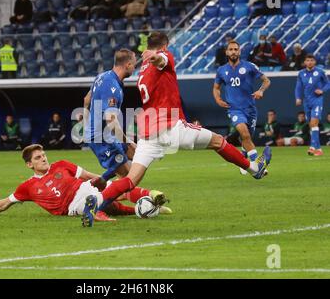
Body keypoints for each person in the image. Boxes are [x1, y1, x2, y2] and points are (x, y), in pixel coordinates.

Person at [82, 32, 272, 227]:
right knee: (218, 141)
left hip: (148, 133)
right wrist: (155, 55)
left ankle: (95, 203)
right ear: (165, 45)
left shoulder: (142, 71)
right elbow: (161, 60)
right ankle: (254, 168)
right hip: (171, 125)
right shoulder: (165, 56)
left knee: (131, 179)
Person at [0, 144, 170, 223]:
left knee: (113, 191)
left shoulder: (61, 164)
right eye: (38, 158)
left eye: (43, 155)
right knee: (114, 196)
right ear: (29, 165)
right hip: (72, 206)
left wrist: (102, 183)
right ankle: (145, 204)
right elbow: (5, 202)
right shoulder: (27, 187)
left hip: (86, 189)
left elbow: (89, 176)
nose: (43, 159)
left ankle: (149, 203)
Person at [214, 39, 272, 175]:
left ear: (239, 52)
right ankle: (258, 166)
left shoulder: (249, 66)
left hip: (250, 109)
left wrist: (261, 91)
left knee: (247, 139)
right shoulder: (221, 70)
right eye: (231, 49)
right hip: (234, 109)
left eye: (236, 49)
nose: (233, 52)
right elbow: (216, 87)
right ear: (226, 52)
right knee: (244, 133)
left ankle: (244, 159)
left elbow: (266, 80)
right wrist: (218, 99)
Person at [84, 49, 138, 185]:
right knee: (128, 181)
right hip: (100, 138)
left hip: (104, 134)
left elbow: (86, 100)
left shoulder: (102, 77)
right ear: (127, 65)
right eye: (134, 65)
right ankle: (96, 198)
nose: (135, 68)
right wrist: (127, 141)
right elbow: (111, 120)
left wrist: (89, 123)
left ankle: (102, 180)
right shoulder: (112, 86)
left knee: (135, 155)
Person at [295, 54, 330, 156]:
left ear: (314, 62)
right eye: (307, 60)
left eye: (311, 60)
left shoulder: (320, 72)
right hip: (307, 102)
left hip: (317, 101)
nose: (309, 62)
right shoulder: (301, 73)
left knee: (314, 123)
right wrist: (298, 97)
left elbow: (328, 83)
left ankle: (315, 147)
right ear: (305, 62)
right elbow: (298, 87)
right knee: (311, 125)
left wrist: (322, 90)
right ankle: (316, 148)